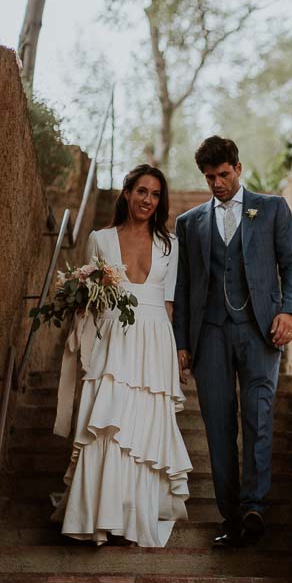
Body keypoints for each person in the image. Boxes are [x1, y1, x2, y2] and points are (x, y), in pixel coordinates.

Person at [173, 136, 292, 547]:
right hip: (209, 333)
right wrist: (182, 341)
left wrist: (290, 310)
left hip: (260, 332)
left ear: (239, 168)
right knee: (217, 424)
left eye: (223, 175)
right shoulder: (189, 223)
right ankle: (230, 516)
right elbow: (184, 286)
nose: (217, 184)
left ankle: (254, 508)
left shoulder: (271, 209)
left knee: (259, 416)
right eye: (210, 177)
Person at [52, 164, 192, 547]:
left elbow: (169, 304)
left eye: (156, 194)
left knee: (144, 431)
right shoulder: (100, 239)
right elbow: (92, 305)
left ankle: (133, 516)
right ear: (127, 193)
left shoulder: (171, 245)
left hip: (154, 344)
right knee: (109, 427)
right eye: (142, 191)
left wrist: (176, 356)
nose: (148, 200)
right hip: (113, 341)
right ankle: (98, 516)